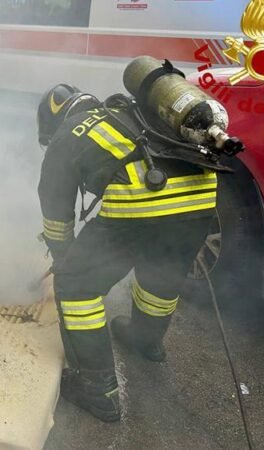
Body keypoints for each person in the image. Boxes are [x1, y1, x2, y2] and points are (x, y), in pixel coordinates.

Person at [37, 83, 218, 422]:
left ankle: (96, 388)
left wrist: (62, 256)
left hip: (142, 206)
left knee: (76, 287)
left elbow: (55, 207)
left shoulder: (67, 135)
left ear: (54, 121)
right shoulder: (126, 113)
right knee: (161, 271)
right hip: (202, 199)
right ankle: (145, 340)